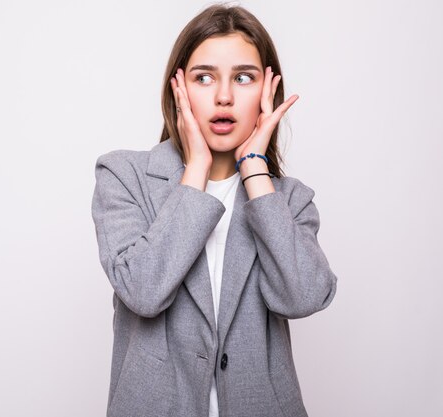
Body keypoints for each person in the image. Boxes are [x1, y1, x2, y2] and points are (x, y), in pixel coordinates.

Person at [90, 3, 338, 417]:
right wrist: (198, 169)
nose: (224, 96)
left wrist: (255, 170)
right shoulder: (123, 175)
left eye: (244, 77)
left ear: (267, 91)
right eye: (204, 77)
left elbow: (305, 297)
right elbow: (143, 292)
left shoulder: (289, 200)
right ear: (179, 87)